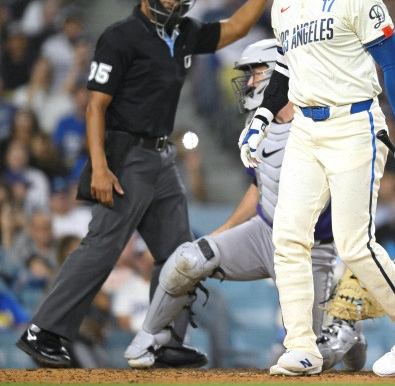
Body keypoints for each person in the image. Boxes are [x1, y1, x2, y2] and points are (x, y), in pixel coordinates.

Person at [16, 0, 289, 369]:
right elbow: (95, 106)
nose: (173, 3)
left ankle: (161, 340)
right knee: (102, 247)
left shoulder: (181, 33)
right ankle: (43, 330)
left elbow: (235, 27)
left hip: (162, 158)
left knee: (178, 253)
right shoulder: (120, 37)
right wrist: (101, 168)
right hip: (126, 154)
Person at [239, 0, 395, 377]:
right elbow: (287, 69)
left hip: (354, 125)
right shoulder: (284, 0)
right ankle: (302, 346)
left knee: (354, 243)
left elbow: (393, 65)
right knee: (287, 237)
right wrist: (264, 116)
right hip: (306, 128)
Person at [123, 39, 366, 371]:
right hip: (263, 232)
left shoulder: (322, 123)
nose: (249, 81)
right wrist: (220, 234)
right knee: (190, 258)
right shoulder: (258, 127)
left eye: (255, 72)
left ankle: (348, 331)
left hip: (310, 250)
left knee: (310, 356)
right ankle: (149, 340)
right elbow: (259, 190)